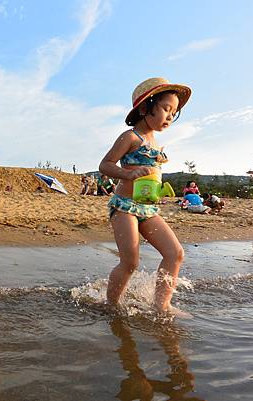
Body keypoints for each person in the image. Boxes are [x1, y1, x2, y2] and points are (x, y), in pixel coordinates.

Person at [99, 77, 191, 313]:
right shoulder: (130, 137)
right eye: (166, 109)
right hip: (124, 206)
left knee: (175, 253)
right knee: (130, 262)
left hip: (148, 209)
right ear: (144, 108)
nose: (170, 117)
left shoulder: (156, 144)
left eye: (174, 113)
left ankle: (162, 305)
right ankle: (111, 305)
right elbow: (105, 165)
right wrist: (127, 175)